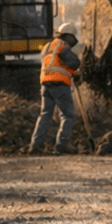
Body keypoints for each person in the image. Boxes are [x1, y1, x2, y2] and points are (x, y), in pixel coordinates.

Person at [31, 22, 81, 153]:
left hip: (45, 84)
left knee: (45, 114)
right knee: (67, 114)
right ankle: (62, 144)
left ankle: (35, 144)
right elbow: (73, 62)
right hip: (59, 85)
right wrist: (78, 69)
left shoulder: (48, 47)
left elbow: (58, 64)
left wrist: (72, 74)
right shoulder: (62, 45)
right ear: (69, 36)